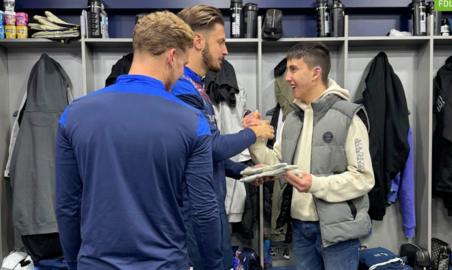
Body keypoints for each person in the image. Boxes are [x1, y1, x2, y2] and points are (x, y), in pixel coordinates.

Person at [55, 11, 224, 270]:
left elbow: (67, 206)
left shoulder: (73, 114)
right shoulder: (192, 122)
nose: (181, 75)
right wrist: (213, 265)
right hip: (164, 263)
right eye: (182, 65)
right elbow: (203, 211)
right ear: (172, 56)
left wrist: (74, 261)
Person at [246, 42, 375, 270]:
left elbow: (364, 178)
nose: (287, 77)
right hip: (299, 228)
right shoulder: (292, 119)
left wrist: (315, 184)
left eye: (294, 69)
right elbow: (279, 164)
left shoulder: (348, 117)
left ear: (316, 73)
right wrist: (255, 138)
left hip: (337, 232)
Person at [173, 5, 274, 270]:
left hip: (210, 207)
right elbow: (212, 147)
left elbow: (205, 154)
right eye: (220, 42)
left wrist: (246, 172)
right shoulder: (182, 89)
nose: (225, 50)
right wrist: (253, 133)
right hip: (194, 213)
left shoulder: (198, 87)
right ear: (197, 41)